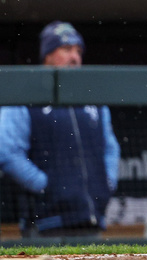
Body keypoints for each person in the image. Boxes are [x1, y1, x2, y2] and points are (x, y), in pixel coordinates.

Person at [0, 22, 120, 237]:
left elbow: (111, 148)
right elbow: (7, 151)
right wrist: (48, 186)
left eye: (78, 51)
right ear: (47, 55)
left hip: (91, 219)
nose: (74, 57)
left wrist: (105, 183)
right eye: (66, 49)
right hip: (45, 223)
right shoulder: (25, 96)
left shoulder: (92, 99)